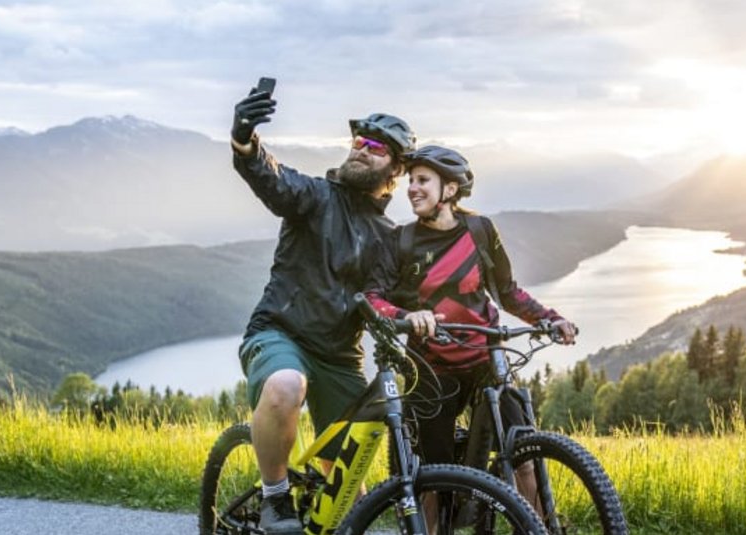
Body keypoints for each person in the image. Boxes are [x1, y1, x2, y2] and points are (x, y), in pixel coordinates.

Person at [229, 85, 416, 535]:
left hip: (339, 357)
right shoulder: (314, 197)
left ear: (396, 169)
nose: (360, 149)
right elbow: (272, 178)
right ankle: (276, 499)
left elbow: (402, 297)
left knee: (352, 494)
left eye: (375, 147)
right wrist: (244, 139)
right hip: (281, 333)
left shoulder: (390, 236)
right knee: (286, 385)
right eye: (358, 141)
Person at [364, 145, 578, 524]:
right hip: (430, 369)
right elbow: (372, 298)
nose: (412, 187)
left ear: (449, 189)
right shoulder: (401, 241)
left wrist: (550, 318)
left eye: (422, 180)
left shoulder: (479, 231)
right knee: (431, 476)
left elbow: (507, 291)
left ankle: (538, 528)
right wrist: (407, 315)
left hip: (484, 360)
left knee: (524, 455)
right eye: (410, 180)